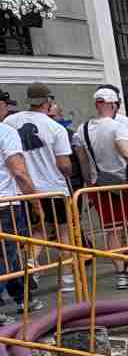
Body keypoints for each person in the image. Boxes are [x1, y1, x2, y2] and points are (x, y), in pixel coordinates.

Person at [72, 86, 128, 289]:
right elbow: (126, 152)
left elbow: (83, 163)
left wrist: (89, 185)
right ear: (112, 104)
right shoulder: (118, 126)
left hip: (100, 186)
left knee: (112, 231)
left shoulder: (81, 130)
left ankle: (121, 275)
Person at [6, 83, 75, 290]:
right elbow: (64, 165)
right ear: (48, 101)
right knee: (64, 233)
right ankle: (68, 280)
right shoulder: (56, 128)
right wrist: (68, 172)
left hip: (23, 190)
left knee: (39, 229)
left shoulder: (10, 121)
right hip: (53, 189)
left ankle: (31, 262)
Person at [0, 113, 43, 315]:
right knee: (6, 255)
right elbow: (19, 173)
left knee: (10, 253)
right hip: (5, 203)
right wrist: (36, 204)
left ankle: (23, 296)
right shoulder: (5, 132)